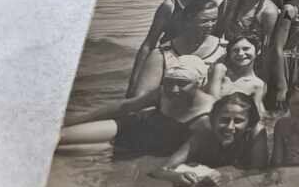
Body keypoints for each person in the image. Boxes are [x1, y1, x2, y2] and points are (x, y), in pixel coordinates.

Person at [58, 55, 214, 156]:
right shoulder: (162, 92)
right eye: (169, 82)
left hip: (140, 149)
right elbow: (125, 107)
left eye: (182, 84)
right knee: (59, 137)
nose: (173, 89)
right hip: (132, 127)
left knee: (60, 151)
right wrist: (73, 120)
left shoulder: (210, 110)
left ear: (200, 82)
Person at [127, 0, 227, 97]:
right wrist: (134, 82)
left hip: (204, 65)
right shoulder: (170, 6)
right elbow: (149, 44)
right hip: (170, 62)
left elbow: (224, 44)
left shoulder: (224, 5)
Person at [150, 92, 269, 187]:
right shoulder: (203, 133)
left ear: (249, 124)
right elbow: (160, 170)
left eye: (238, 121)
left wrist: (224, 176)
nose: (230, 127)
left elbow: (258, 172)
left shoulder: (256, 133)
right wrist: (176, 177)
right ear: (213, 120)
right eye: (224, 120)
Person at [215, 0, 280, 64]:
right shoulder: (229, 3)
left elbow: (266, 46)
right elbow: (217, 32)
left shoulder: (269, 11)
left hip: (252, 60)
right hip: (226, 54)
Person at [205, 34, 267, 118]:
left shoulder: (258, 84)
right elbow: (212, 102)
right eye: (235, 50)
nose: (240, 53)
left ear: (258, 50)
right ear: (229, 54)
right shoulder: (221, 70)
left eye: (246, 49)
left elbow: (256, 114)